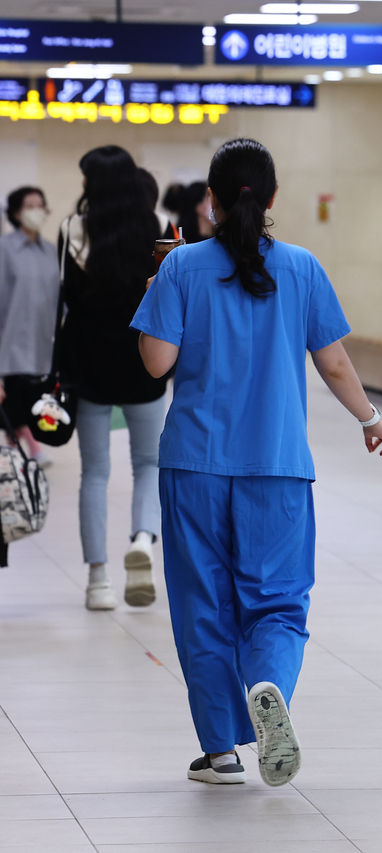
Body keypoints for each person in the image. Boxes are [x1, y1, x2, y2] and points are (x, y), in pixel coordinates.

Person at [132, 138, 382, 787]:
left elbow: (156, 363)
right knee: (277, 602)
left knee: (203, 605)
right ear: (273, 198)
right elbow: (332, 360)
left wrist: (154, 299)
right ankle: (271, 683)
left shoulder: (182, 266)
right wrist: (370, 419)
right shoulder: (302, 267)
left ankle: (221, 749)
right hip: (277, 466)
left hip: (195, 464)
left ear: (210, 202)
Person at [61, 146, 168, 612]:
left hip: (88, 366)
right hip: (144, 360)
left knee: (95, 473)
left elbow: (63, 301)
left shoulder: (72, 230)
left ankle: (98, 580)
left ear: (96, 184)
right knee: (148, 464)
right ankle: (143, 539)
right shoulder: (161, 230)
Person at [0, 186, 59, 464]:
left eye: (40, 204)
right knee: (15, 405)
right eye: (30, 205)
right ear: (16, 212)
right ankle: (28, 453)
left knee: (33, 404)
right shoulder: (5, 249)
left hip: (42, 343)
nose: (37, 210)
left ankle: (19, 456)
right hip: (11, 344)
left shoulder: (50, 251)